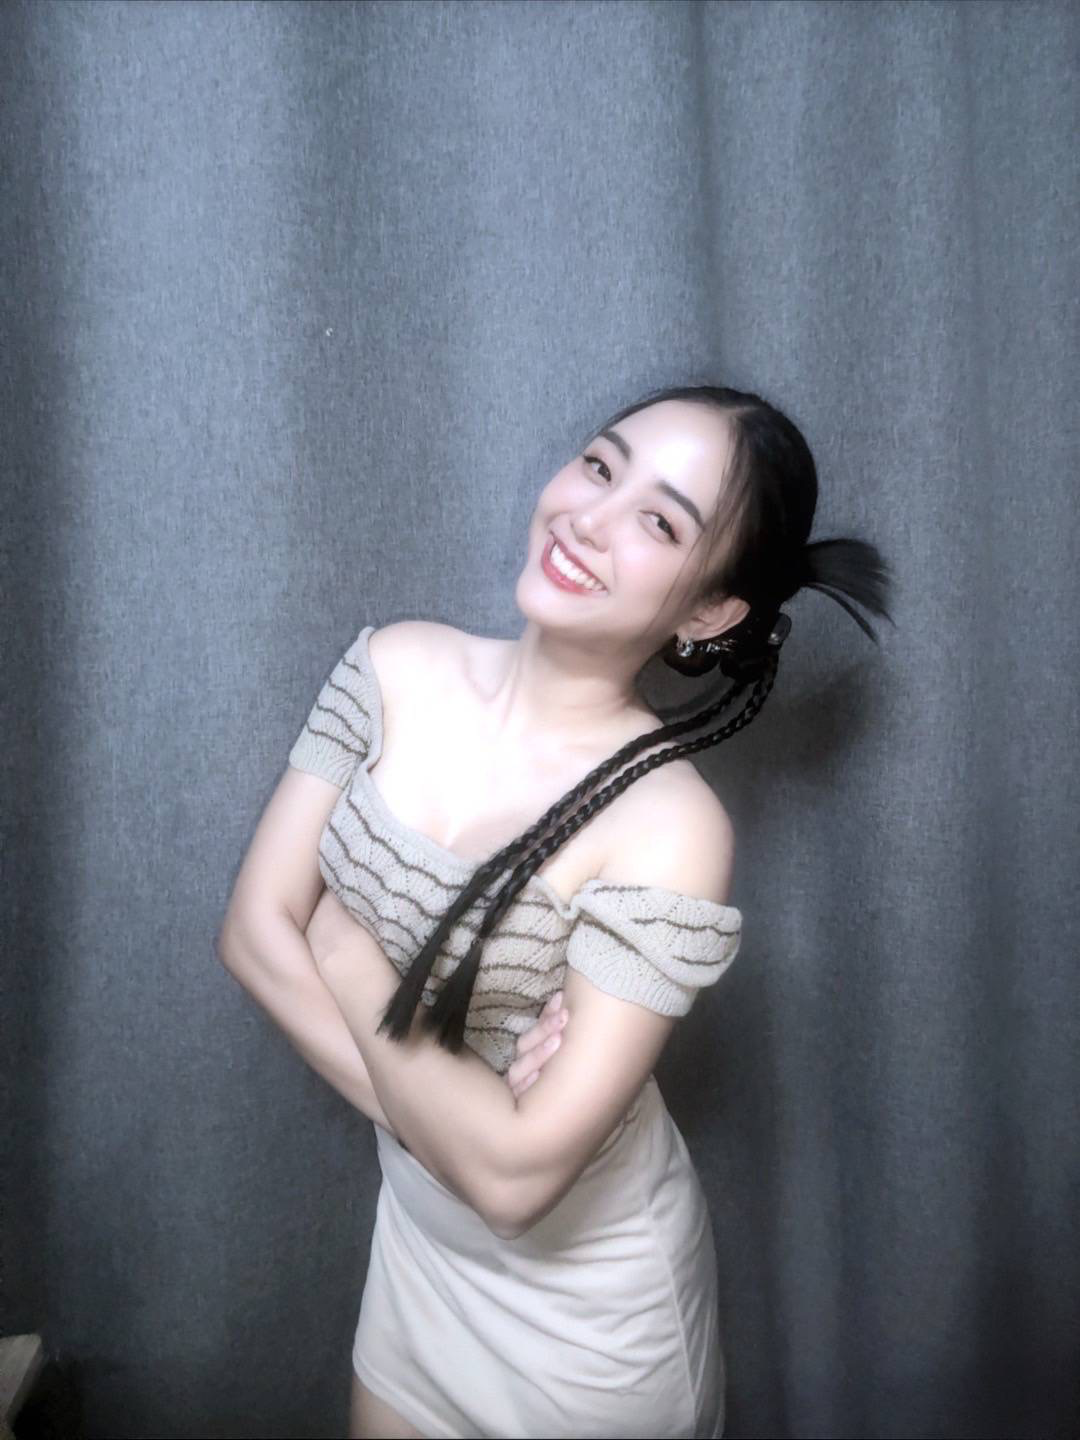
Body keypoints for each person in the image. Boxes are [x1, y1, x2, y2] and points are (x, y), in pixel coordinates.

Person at [219, 383, 893, 1439]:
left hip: (589, 1325)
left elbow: (520, 1185)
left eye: (659, 522)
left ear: (709, 612)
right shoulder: (394, 664)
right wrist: (474, 1132)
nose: (589, 517)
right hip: (422, 1247)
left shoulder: (673, 825)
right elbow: (252, 933)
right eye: (599, 466)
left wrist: (342, 948)